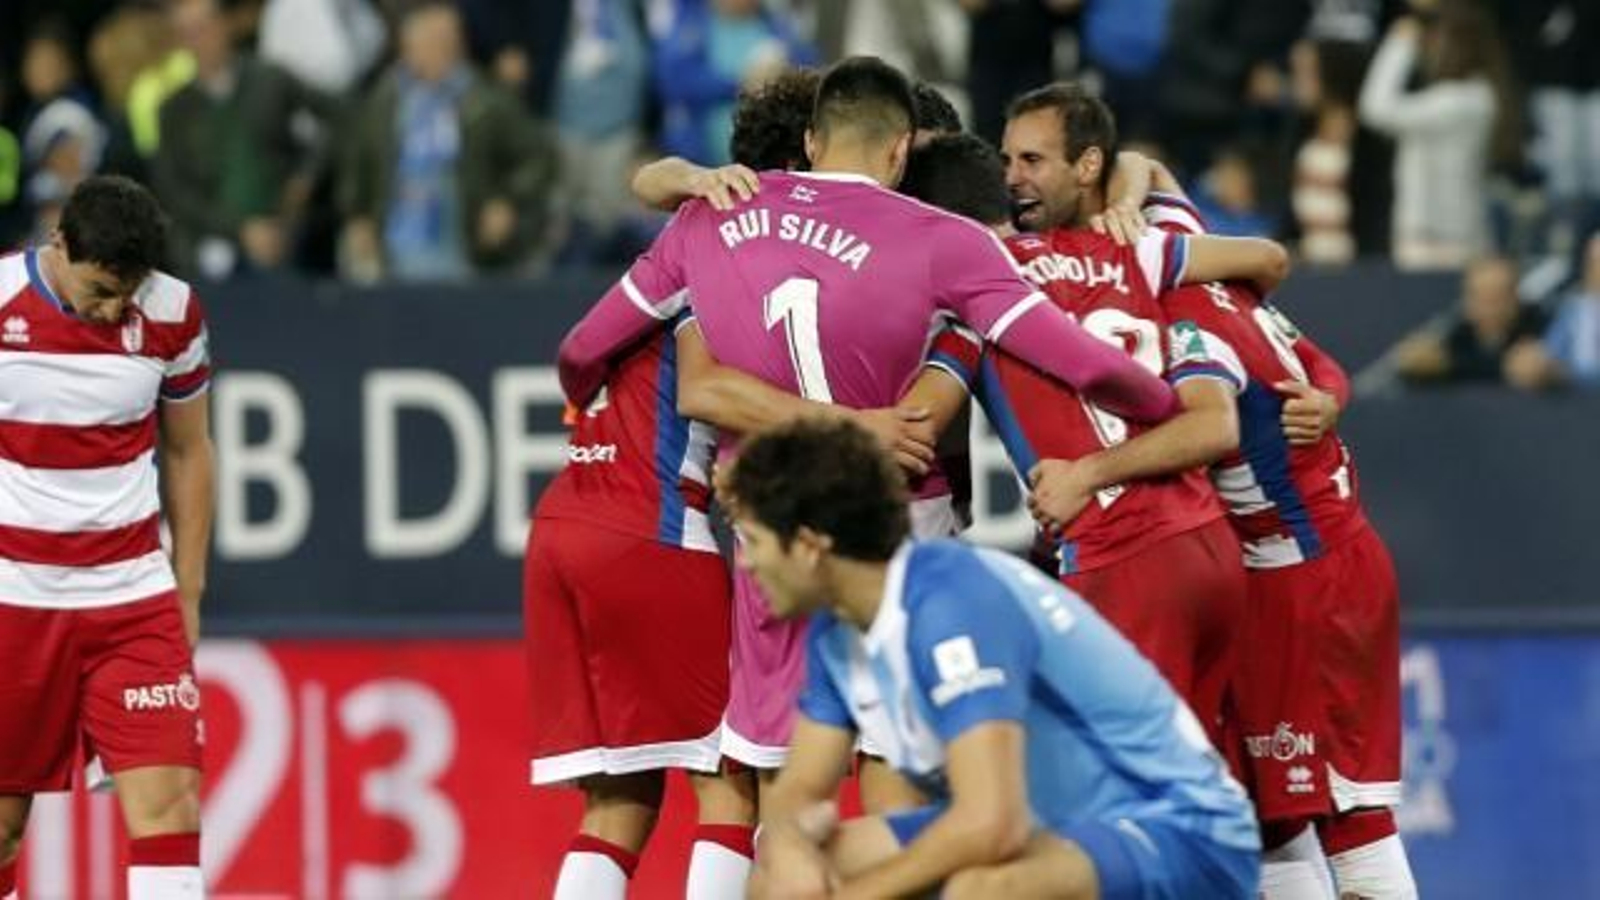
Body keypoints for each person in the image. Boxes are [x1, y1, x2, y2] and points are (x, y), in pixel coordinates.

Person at [558, 56, 1180, 793]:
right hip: (897, 521)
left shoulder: (711, 212)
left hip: (773, 534)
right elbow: (1083, 363)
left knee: (772, 793)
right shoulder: (946, 237)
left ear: (816, 141)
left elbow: (582, 347)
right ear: (899, 151)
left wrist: (581, 399)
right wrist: (1164, 410)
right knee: (897, 776)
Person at [727, 419, 1259, 900]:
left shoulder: (950, 602)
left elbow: (991, 823)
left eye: (752, 540)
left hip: (1178, 829)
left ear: (809, 546)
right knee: (783, 867)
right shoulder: (839, 626)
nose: (744, 561)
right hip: (1053, 826)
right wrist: (793, 849)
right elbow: (797, 791)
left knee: (984, 892)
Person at [1080, 152, 1421, 898]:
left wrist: (1090, 474)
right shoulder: (1202, 265)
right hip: (1304, 564)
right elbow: (1149, 164)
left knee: (1343, 813)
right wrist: (1330, 391)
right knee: (1275, 809)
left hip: (1307, 573)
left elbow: (1214, 421)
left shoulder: (1161, 300)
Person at [924, 85, 1286, 749]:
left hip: (1121, 554)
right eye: (1008, 164)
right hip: (1209, 543)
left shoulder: (975, 291)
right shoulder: (1128, 247)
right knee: (1196, 789)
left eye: (1031, 160)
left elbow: (923, 419)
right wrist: (1132, 197)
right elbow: (1266, 258)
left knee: (1121, 798)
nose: (1017, 177)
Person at [0, 175, 213, 899]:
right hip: (15, 598)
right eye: (99, 290)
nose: (115, 308)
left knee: (172, 808)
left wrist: (186, 590)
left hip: (132, 599)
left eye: (128, 291)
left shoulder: (175, 311)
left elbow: (189, 452)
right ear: (59, 244)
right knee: (3, 826)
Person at [1392, 254, 1548, 385]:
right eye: (1481, 298)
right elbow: (1426, 360)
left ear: (1516, 299)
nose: (1491, 309)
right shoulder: (1458, 333)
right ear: (1467, 302)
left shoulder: (1541, 329)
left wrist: (1548, 372)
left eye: (1499, 298)